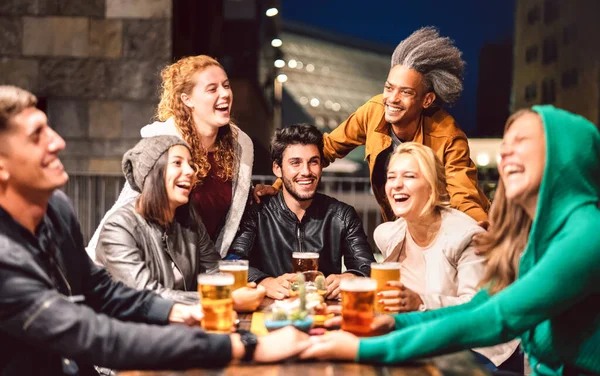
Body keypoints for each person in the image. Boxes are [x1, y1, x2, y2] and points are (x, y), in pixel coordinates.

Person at [0, 85, 310, 375]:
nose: (58, 141)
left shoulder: (56, 208)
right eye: (36, 135)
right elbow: (93, 335)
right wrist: (242, 345)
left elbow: (99, 290)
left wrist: (176, 312)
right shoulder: (6, 257)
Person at [300, 106, 600, 375]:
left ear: (564, 151)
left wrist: (361, 349)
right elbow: (481, 305)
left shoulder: (588, 234)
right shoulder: (538, 235)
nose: (505, 152)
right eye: (505, 144)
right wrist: (394, 324)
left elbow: (496, 317)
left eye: (521, 141)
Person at [255, 27, 490, 227]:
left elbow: (463, 195)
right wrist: (279, 187)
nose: (392, 98)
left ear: (426, 100)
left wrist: (480, 227)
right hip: (399, 225)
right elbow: (325, 148)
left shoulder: (447, 134)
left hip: (444, 226)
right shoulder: (374, 111)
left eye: (406, 92)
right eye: (389, 87)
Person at [87, 55, 253, 261]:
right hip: (156, 265)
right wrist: (93, 264)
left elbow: (233, 210)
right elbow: (129, 205)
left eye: (226, 86)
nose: (225, 94)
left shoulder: (241, 146)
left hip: (204, 267)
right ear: (187, 99)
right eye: (212, 89)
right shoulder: (164, 143)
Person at [374, 142, 519, 371]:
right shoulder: (389, 235)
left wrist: (420, 302)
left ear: (432, 187)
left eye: (409, 176)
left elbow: (476, 310)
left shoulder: (464, 235)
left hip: (478, 350)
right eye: (391, 177)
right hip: (427, 338)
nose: (396, 185)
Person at [95, 135, 264, 311]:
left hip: (181, 327)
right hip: (130, 332)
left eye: (191, 164)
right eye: (177, 163)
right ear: (153, 173)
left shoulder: (189, 221)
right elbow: (145, 294)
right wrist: (223, 298)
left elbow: (215, 271)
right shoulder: (119, 227)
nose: (191, 172)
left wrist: (249, 286)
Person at [229, 124, 376, 300]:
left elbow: (368, 266)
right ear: (277, 169)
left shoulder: (342, 215)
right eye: (295, 163)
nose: (306, 172)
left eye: (313, 162)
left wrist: (352, 277)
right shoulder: (257, 211)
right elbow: (232, 261)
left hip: (323, 313)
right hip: (269, 313)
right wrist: (264, 281)